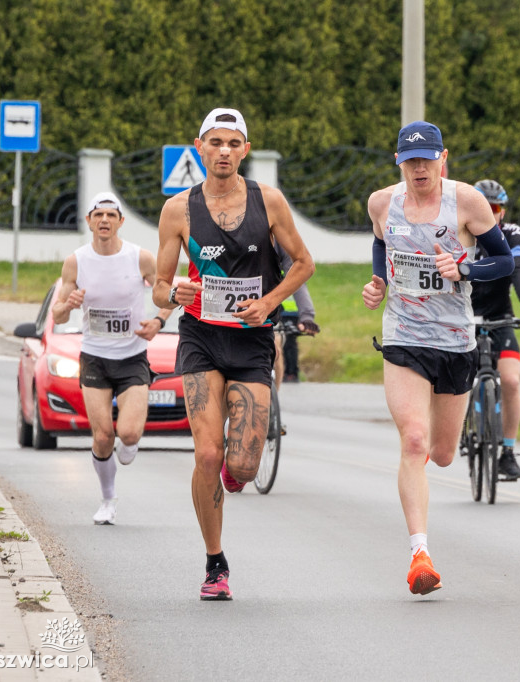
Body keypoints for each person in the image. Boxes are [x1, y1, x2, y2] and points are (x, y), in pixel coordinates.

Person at [153, 107, 314, 601]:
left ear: (245, 149)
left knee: (242, 466)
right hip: (201, 336)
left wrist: (269, 302)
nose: (223, 151)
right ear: (199, 147)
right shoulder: (178, 210)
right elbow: (159, 288)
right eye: (214, 142)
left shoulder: (270, 202)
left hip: (251, 340)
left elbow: (304, 264)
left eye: (232, 143)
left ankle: (232, 472)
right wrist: (173, 292)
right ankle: (214, 563)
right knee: (206, 453)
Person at [362, 121, 514, 595]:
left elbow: (504, 261)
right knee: (413, 441)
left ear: (443, 158)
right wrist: (378, 282)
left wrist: (465, 266)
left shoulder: (465, 202)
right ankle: (419, 554)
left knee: (443, 455)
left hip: (453, 341)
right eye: (411, 160)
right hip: (403, 336)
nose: (420, 168)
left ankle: (438, 451)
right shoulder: (382, 203)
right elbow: (381, 243)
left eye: (428, 158)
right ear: (399, 163)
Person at [51, 192, 172, 526]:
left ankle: (130, 446)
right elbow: (59, 315)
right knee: (103, 435)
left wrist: (158, 321)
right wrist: (69, 304)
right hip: (95, 357)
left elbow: (168, 293)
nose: (104, 220)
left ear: (121, 221)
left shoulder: (140, 258)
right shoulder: (76, 261)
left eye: (110, 215)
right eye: (97, 214)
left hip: (132, 356)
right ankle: (107, 499)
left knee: (129, 434)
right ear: (89, 221)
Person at [470, 179, 520, 481]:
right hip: (465, 319)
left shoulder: (511, 233)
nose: (491, 214)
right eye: (485, 208)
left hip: (500, 317)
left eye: (496, 208)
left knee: (512, 382)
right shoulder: (459, 233)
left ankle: (507, 452)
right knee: (457, 382)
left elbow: (518, 271)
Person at [274, 243, 319, 387]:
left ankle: (275, 397)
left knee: (278, 347)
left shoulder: (281, 242)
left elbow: (299, 281)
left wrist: (307, 316)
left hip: (285, 314)